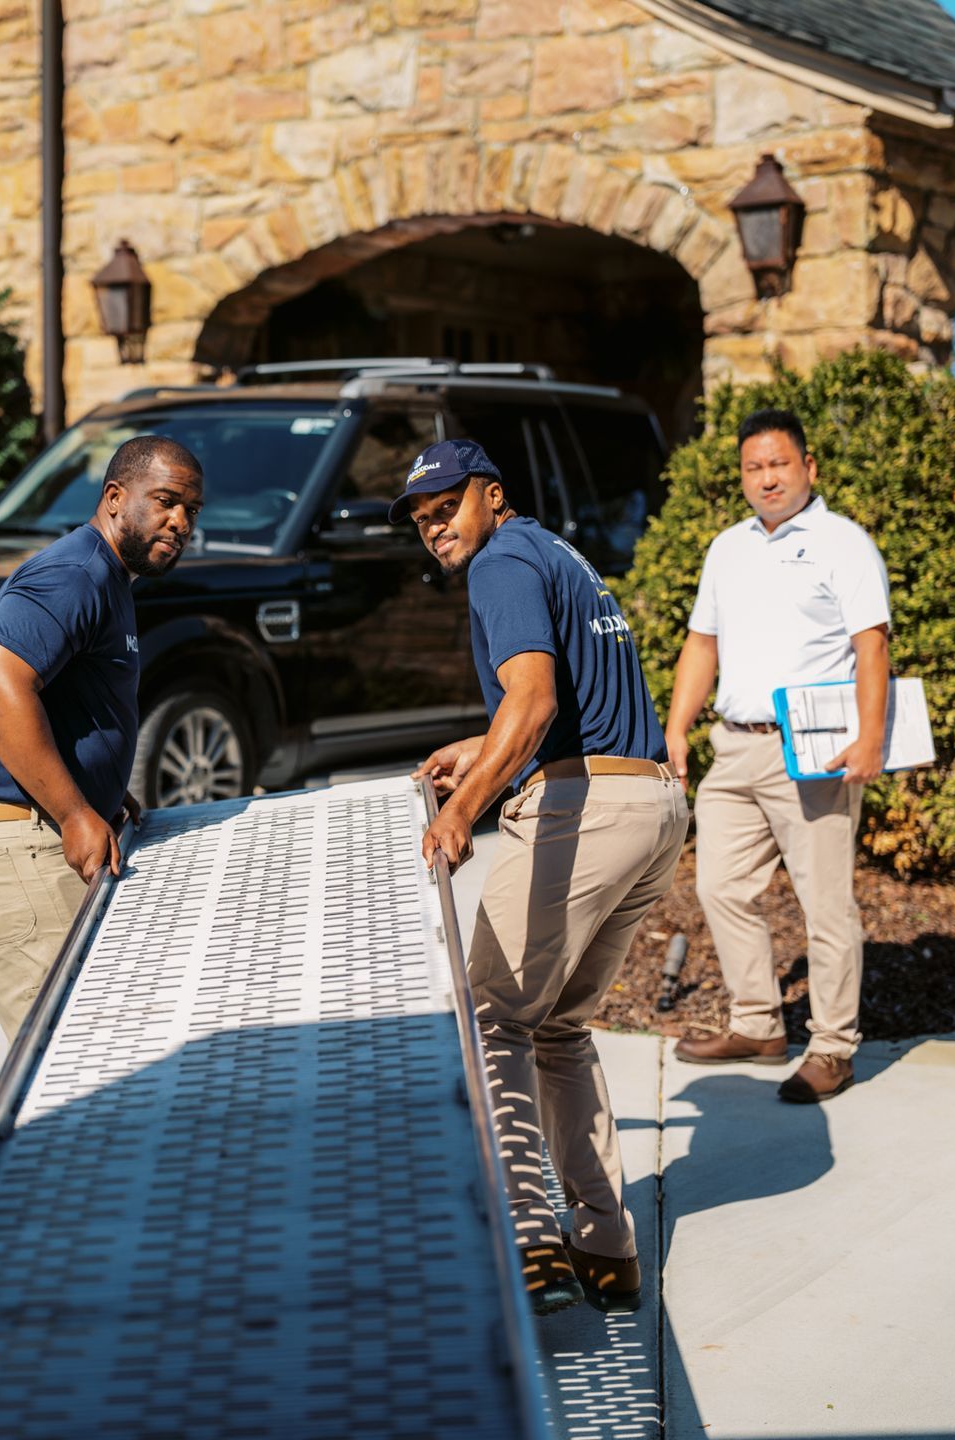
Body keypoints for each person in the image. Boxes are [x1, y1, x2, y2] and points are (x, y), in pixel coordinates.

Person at [403, 439, 688, 1318]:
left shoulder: (500, 563)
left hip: (584, 815)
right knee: (558, 1028)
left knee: (489, 1021)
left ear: (493, 495)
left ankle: (529, 1247)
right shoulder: (559, 553)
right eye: (421, 521)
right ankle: (605, 1248)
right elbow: (564, 705)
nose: (435, 529)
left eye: (447, 507)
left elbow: (533, 704)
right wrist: (480, 751)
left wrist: (465, 808)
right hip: (652, 810)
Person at [0, 435, 203, 1038]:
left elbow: (69, 701)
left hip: (20, 831)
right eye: (167, 501)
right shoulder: (74, 573)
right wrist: (74, 811)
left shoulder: (109, 578)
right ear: (116, 498)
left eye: (191, 510)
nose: (180, 522)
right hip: (1, 842)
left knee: (93, 1043)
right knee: (72, 1052)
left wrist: (97, 790)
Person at [664, 407, 891, 1104]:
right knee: (720, 886)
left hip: (812, 752)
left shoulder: (843, 543)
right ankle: (759, 1024)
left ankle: (832, 1047)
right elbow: (703, 644)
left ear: (808, 468)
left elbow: (871, 645)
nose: (767, 478)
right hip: (734, 747)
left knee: (825, 906)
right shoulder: (727, 548)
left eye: (779, 464)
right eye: (754, 468)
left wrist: (872, 738)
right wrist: (676, 728)